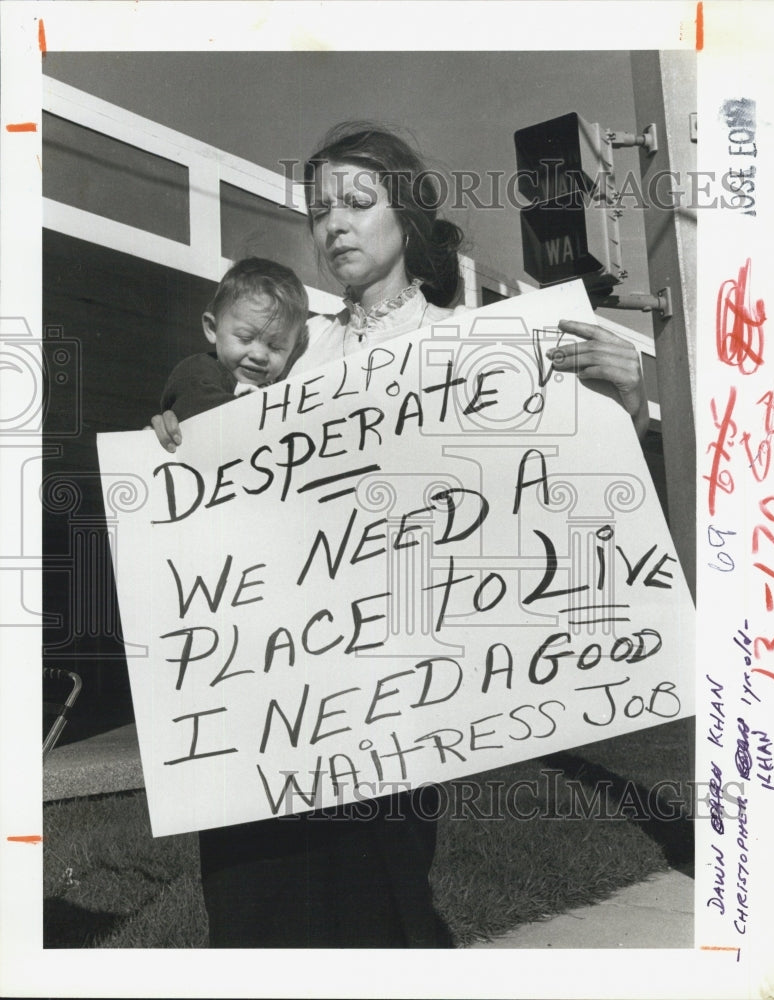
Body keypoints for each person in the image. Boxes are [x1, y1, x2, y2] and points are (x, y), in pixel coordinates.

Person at [151, 123, 649, 948]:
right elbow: (227, 479)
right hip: (270, 687)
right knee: (251, 907)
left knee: (374, 904)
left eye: (357, 201)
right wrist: (176, 436)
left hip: (393, 690)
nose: (335, 224)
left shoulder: (474, 344)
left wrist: (622, 402)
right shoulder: (295, 349)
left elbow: (567, 488)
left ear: (405, 216)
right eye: (319, 211)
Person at [154, 257, 308, 450]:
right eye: (245, 338)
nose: (259, 355)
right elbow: (201, 412)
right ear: (212, 328)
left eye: (275, 346)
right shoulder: (198, 371)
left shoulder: (280, 388)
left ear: (294, 348)